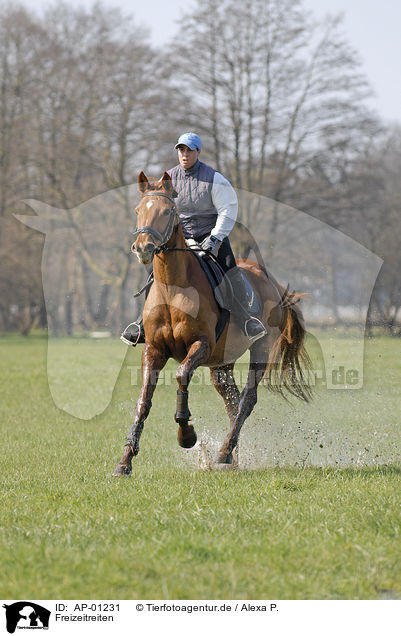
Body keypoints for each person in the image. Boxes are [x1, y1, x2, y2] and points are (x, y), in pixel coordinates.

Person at [121, 132, 267, 345]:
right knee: (155, 274)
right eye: (181, 150)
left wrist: (216, 237)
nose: (185, 154)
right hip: (181, 238)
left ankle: (247, 320)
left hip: (212, 235)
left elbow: (228, 210)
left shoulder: (214, 178)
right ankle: (142, 325)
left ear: (198, 151)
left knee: (229, 270)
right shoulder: (168, 179)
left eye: (189, 150)